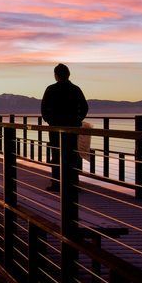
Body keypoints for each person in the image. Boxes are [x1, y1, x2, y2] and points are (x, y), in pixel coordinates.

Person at [41, 63, 88, 191]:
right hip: (72, 128)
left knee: (56, 154)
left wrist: (50, 120)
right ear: (68, 75)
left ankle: (57, 183)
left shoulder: (51, 89)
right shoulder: (75, 89)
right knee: (72, 155)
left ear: (56, 76)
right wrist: (78, 120)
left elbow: (44, 108)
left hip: (55, 128)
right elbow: (84, 107)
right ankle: (73, 183)